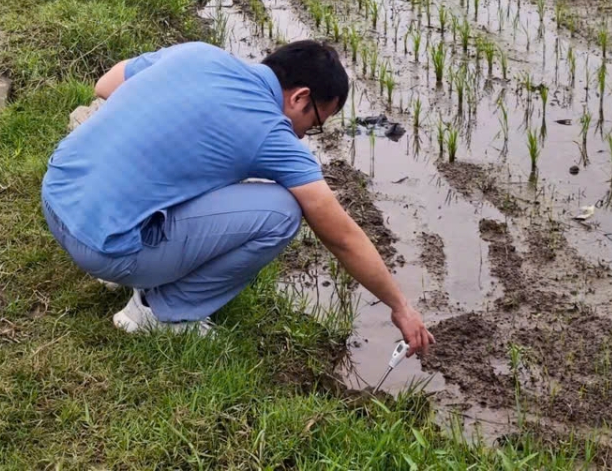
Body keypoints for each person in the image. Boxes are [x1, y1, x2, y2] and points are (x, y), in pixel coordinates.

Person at [41, 39, 434, 356]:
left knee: (196, 167)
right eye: (314, 123)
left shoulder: (198, 53)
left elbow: (106, 85)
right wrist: (400, 305)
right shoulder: (270, 132)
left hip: (57, 199)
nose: (303, 136)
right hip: (105, 248)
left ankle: (122, 242)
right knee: (281, 211)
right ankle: (159, 313)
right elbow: (341, 235)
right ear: (300, 97)